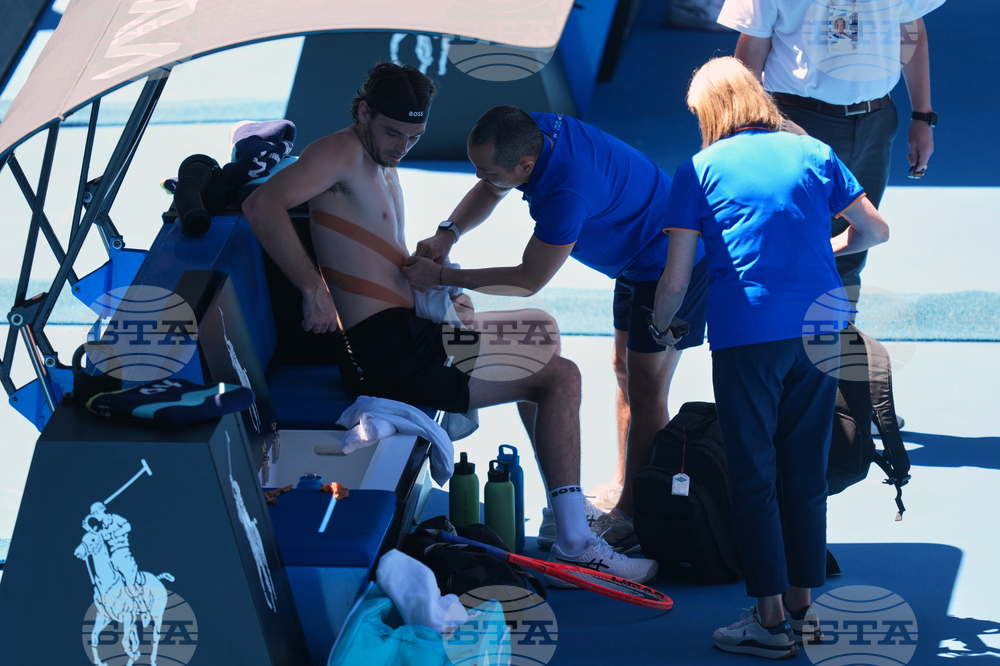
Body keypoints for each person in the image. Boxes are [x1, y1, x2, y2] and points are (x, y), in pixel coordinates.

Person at [242, 63, 656, 583]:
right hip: (387, 352)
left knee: (538, 341)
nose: (401, 147)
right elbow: (261, 205)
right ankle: (575, 542)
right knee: (560, 376)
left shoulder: (379, 157)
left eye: (413, 137)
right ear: (364, 112)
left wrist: (437, 273)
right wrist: (312, 289)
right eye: (393, 133)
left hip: (410, 332)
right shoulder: (340, 152)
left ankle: (563, 516)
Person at [649, 58, 889, 658]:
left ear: (711, 112)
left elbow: (676, 280)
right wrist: (825, 249)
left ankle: (769, 622)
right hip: (819, 332)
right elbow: (875, 231)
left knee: (753, 477)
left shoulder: (697, 169)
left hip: (747, 338)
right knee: (804, 474)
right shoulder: (813, 153)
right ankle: (806, 614)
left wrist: (661, 327)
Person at [402, 105, 709, 553]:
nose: (477, 176)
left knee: (647, 390)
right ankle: (625, 483)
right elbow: (492, 186)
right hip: (635, 256)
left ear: (526, 166)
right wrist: (449, 233)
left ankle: (633, 516)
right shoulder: (533, 130)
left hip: (671, 268)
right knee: (622, 371)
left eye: (485, 169)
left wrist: (444, 278)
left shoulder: (566, 191)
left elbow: (529, 279)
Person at [718, 0, 941, 305]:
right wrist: (747, 129)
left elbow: (911, 29)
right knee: (785, 240)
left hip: (875, 122)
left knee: (854, 246)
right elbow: (752, 46)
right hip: (797, 124)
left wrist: (922, 116)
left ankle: (837, 337)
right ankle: (782, 342)